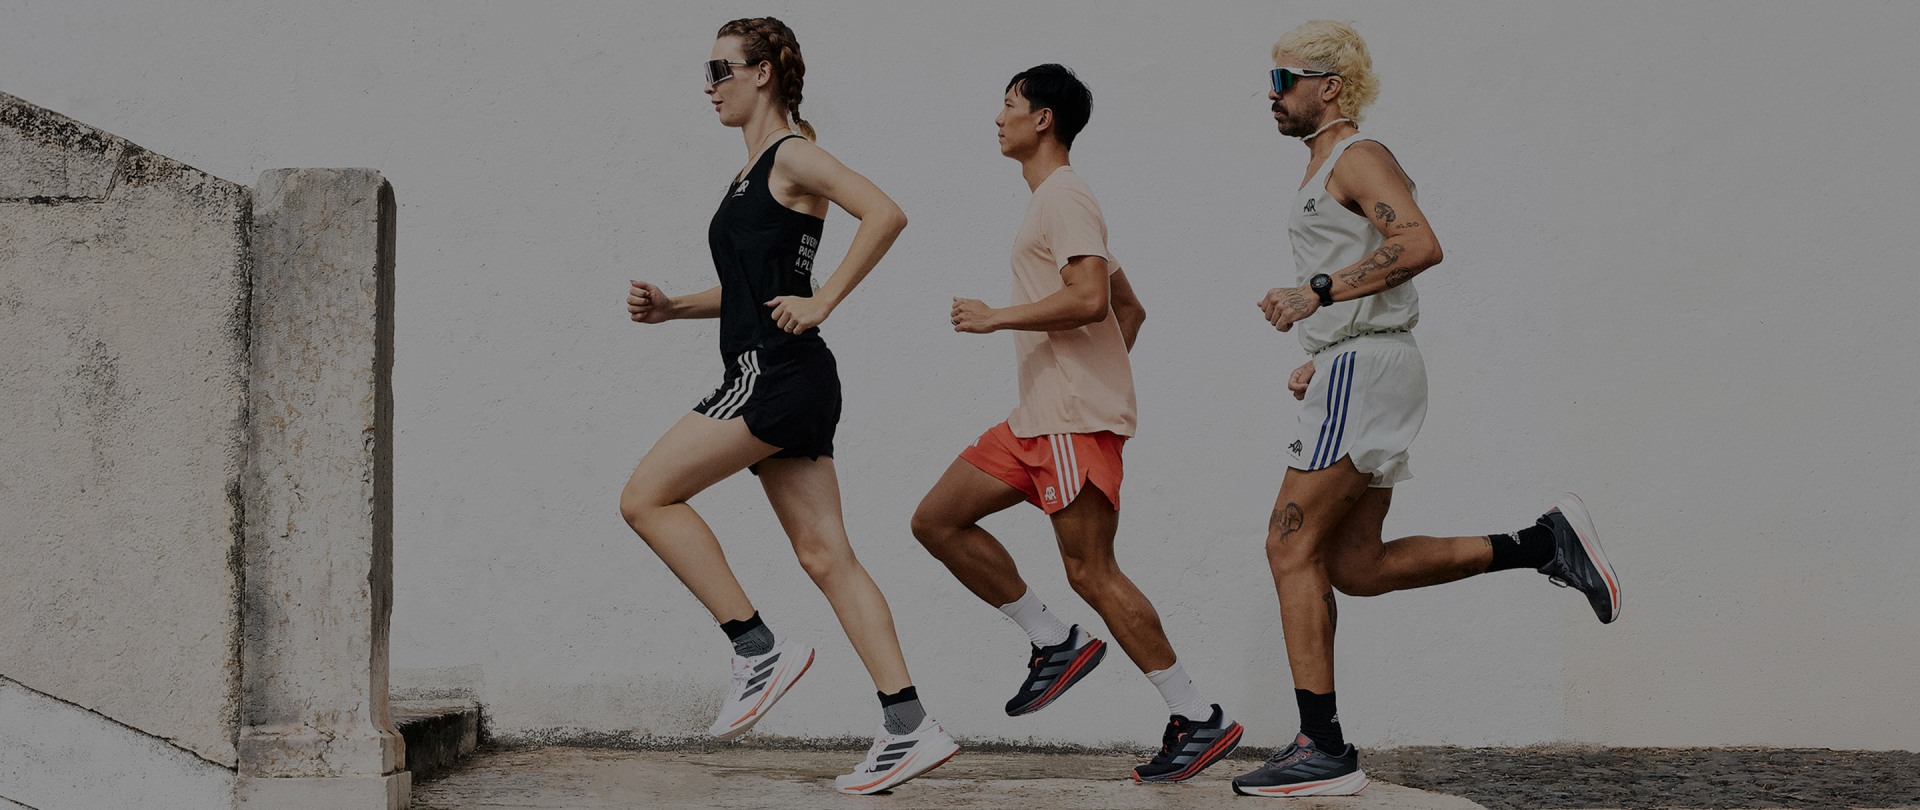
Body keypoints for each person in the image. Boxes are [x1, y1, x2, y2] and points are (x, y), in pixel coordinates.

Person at [1229, 20, 1623, 798]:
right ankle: (1541, 544)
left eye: (1283, 81)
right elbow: (1370, 274)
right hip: (1358, 367)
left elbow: (1417, 244)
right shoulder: (1326, 169)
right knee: (1356, 566)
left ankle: (1323, 747)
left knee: (1288, 548)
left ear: (1328, 86)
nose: (1269, 96)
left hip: (1366, 371)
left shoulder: (1358, 156)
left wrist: (1313, 296)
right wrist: (1324, 352)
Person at [618, 16, 955, 795]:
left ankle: (755, 646)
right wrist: (674, 307)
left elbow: (886, 212)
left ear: (763, 72)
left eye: (721, 68)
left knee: (645, 497)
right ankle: (910, 724)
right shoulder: (749, 175)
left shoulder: (793, 154)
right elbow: (750, 290)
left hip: (769, 373)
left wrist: (826, 299)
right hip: (791, 372)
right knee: (825, 555)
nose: (709, 85)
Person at [911, 63, 1244, 784]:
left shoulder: (1064, 196)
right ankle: (1052, 639)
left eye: (1007, 106)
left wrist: (1002, 320)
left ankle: (1196, 715)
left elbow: (1092, 299)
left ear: (1044, 120)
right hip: (1039, 418)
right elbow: (1129, 309)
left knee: (1093, 570)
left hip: (1066, 422)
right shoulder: (1056, 204)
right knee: (937, 520)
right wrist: (1096, 378)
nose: (996, 119)